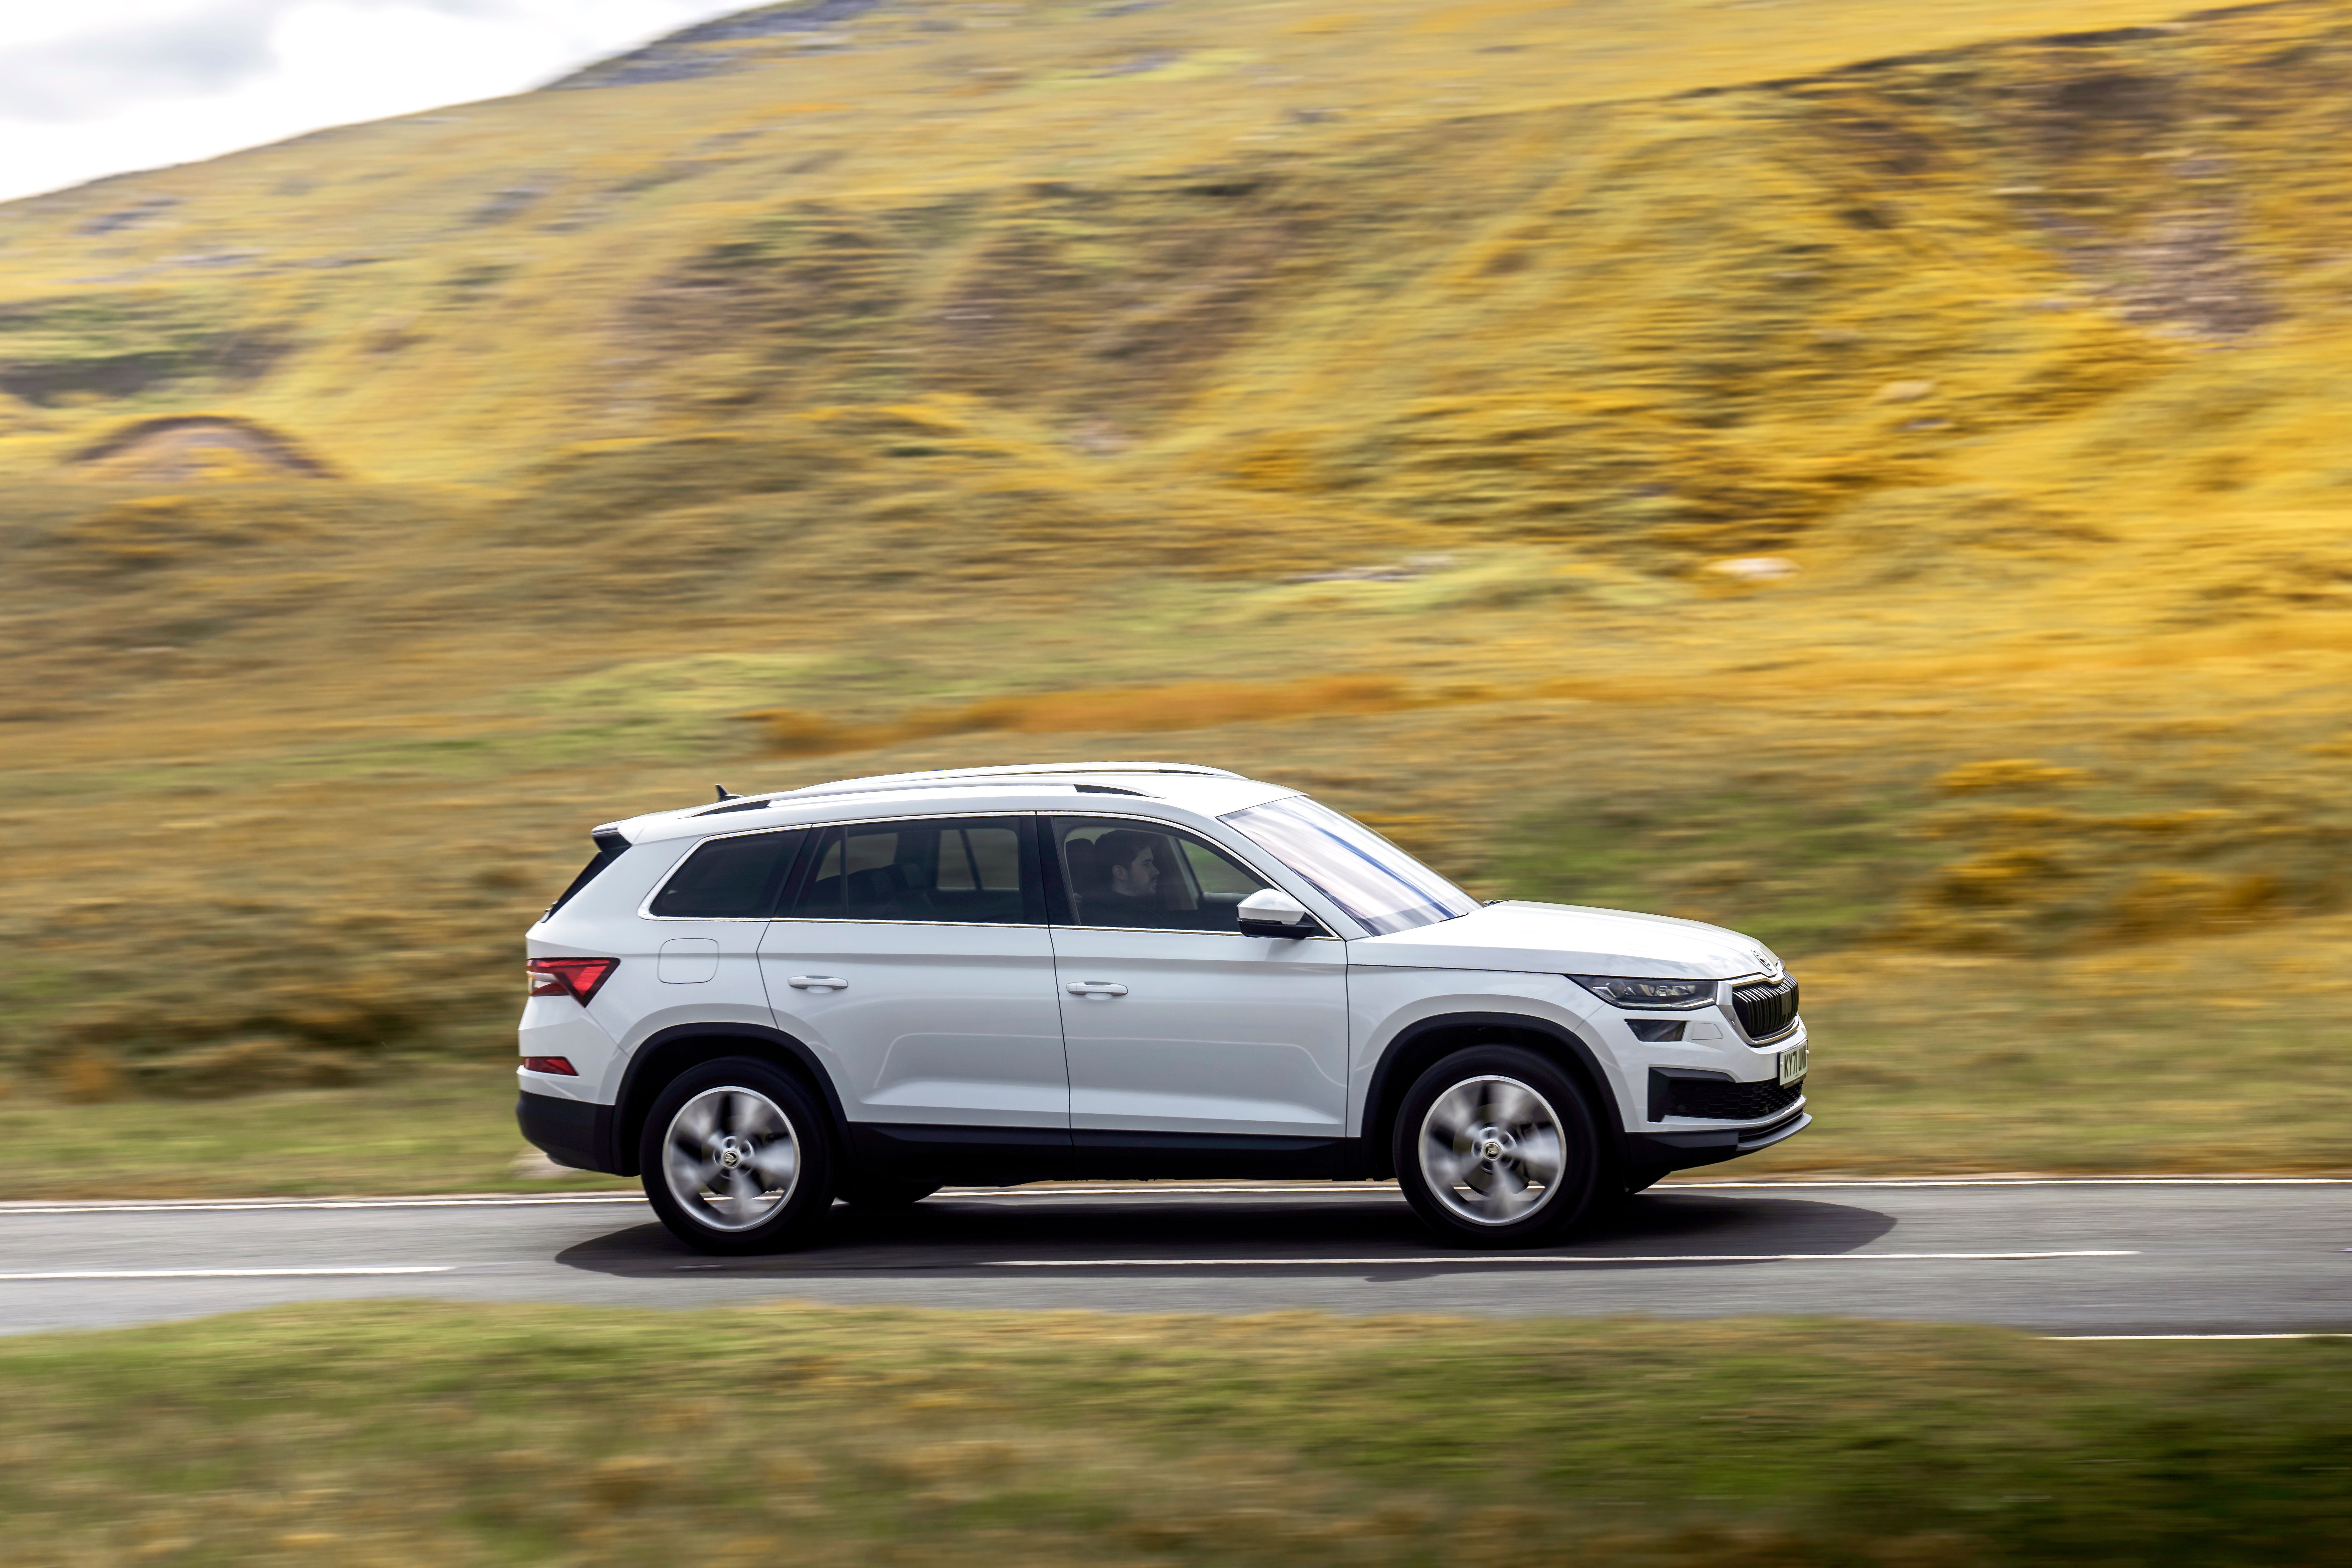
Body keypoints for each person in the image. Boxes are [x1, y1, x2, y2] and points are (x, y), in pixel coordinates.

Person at [1091, 829, 1164, 917]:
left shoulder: (1143, 909)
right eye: (1146, 864)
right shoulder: (1115, 921)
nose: (1157, 871)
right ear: (1120, 873)